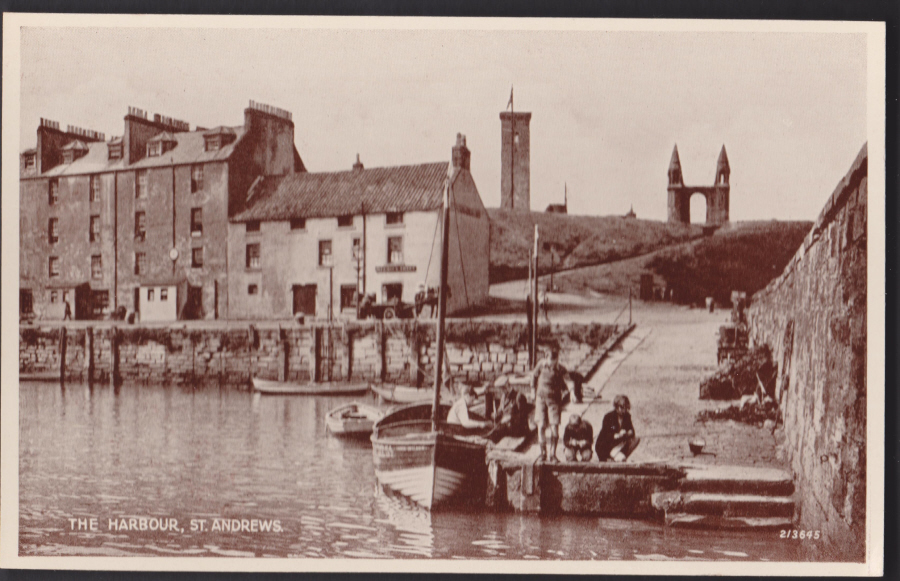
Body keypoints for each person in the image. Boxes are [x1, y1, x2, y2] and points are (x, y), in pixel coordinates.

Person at [532, 345, 568, 462]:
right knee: (541, 425)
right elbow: (534, 376)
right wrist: (533, 390)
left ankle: (552, 454)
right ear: (546, 358)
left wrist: (570, 392)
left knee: (554, 427)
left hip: (554, 401)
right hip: (541, 398)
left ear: (557, 359)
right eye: (550, 361)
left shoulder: (561, 369)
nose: (552, 364)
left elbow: (568, 380)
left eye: (555, 361)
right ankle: (543, 453)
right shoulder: (541, 365)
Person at [595, 395, 641, 462]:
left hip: (618, 444)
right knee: (616, 459)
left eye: (626, 407)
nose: (624, 410)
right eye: (622, 407)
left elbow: (632, 432)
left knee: (635, 440)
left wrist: (627, 433)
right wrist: (615, 435)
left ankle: (620, 456)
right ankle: (609, 457)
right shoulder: (608, 417)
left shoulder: (627, 416)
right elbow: (605, 434)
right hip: (607, 444)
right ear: (616, 407)